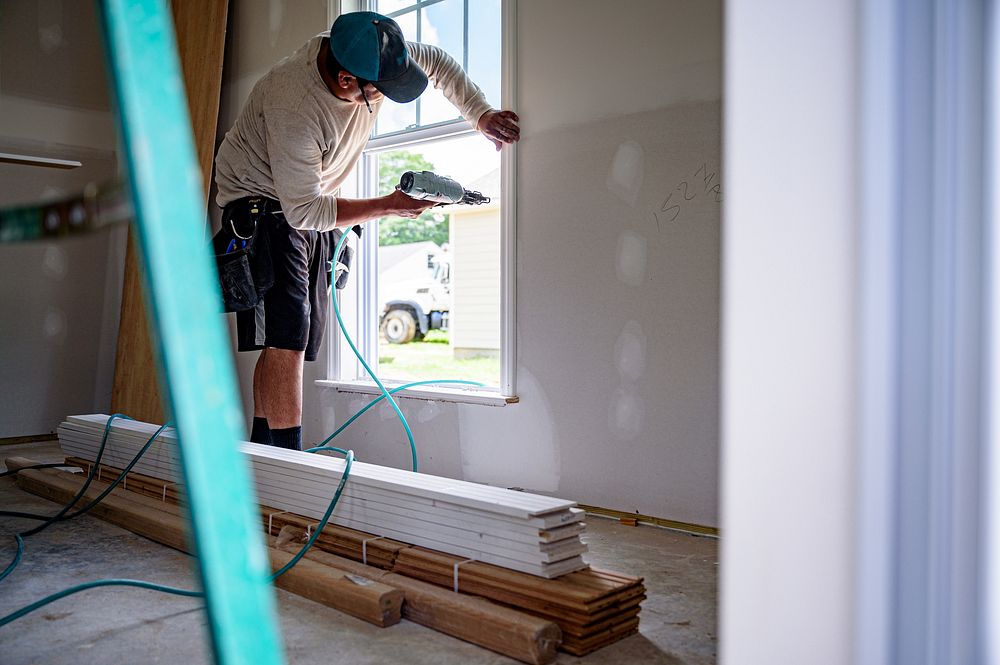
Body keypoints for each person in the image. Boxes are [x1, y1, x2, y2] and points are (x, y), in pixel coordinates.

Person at [214, 11, 520, 451]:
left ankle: (265, 456)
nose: (382, 101)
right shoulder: (293, 103)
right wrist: (388, 206)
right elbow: (303, 211)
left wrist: (481, 114)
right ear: (344, 80)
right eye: (377, 93)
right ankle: (288, 465)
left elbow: (436, 61)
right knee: (288, 336)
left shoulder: (372, 55)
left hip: (304, 197)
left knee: (289, 337)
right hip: (263, 204)